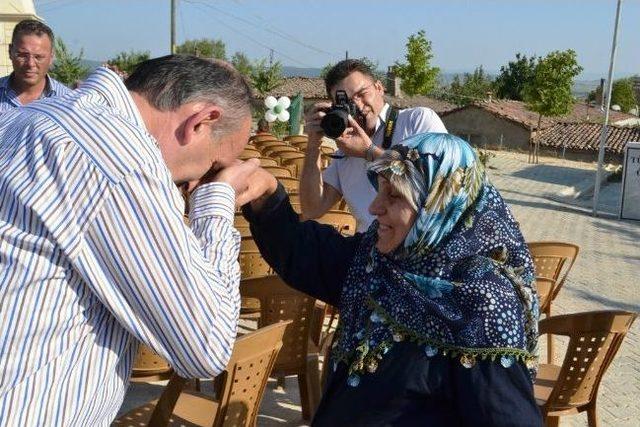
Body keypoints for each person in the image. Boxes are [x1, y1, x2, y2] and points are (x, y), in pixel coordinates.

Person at [0, 55, 261, 425]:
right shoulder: (116, 157)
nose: (192, 184)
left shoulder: (36, 117)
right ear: (201, 121)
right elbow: (205, 347)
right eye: (215, 164)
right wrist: (216, 198)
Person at [244, 133, 542, 426]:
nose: (374, 208)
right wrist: (266, 196)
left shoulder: (481, 305)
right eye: (379, 189)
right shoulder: (377, 260)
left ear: (438, 204)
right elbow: (306, 253)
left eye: (395, 195)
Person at [300, 59, 447, 232]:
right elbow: (312, 209)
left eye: (362, 93)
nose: (358, 105)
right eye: (346, 102)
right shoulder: (344, 153)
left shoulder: (417, 120)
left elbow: (441, 182)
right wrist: (313, 144)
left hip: (421, 246)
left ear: (379, 87)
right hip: (371, 252)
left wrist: (369, 152)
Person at [0, 19, 70, 114]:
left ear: (51, 57)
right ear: (10, 52)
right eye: (23, 55)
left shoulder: (68, 102)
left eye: (38, 57)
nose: (30, 64)